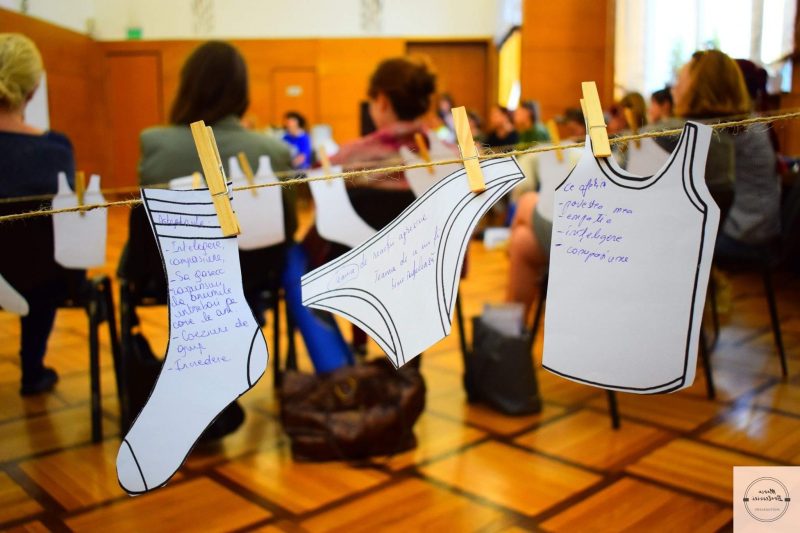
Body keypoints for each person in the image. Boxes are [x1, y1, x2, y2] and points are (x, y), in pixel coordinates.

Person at [123, 40, 297, 309]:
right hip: (255, 275)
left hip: (169, 276)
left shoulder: (154, 143)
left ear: (187, 86)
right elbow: (288, 226)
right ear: (242, 90)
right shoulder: (273, 150)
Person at [0, 34, 73, 394]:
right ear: (33, 89)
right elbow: (68, 220)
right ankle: (32, 369)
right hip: (44, 278)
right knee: (42, 259)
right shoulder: (56, 149)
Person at [506, 108, 586, 316]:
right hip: (575, 224)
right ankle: (512, 327)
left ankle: (508, 328)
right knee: (522, 240)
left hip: (594, 233)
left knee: (527, 200)